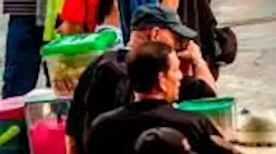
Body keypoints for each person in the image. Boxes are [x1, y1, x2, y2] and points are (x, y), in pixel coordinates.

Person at [84, 42, 227, 154]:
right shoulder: (193, 124)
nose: (180, 76)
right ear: (161, 79)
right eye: (176, 70)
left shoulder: (102, 127)